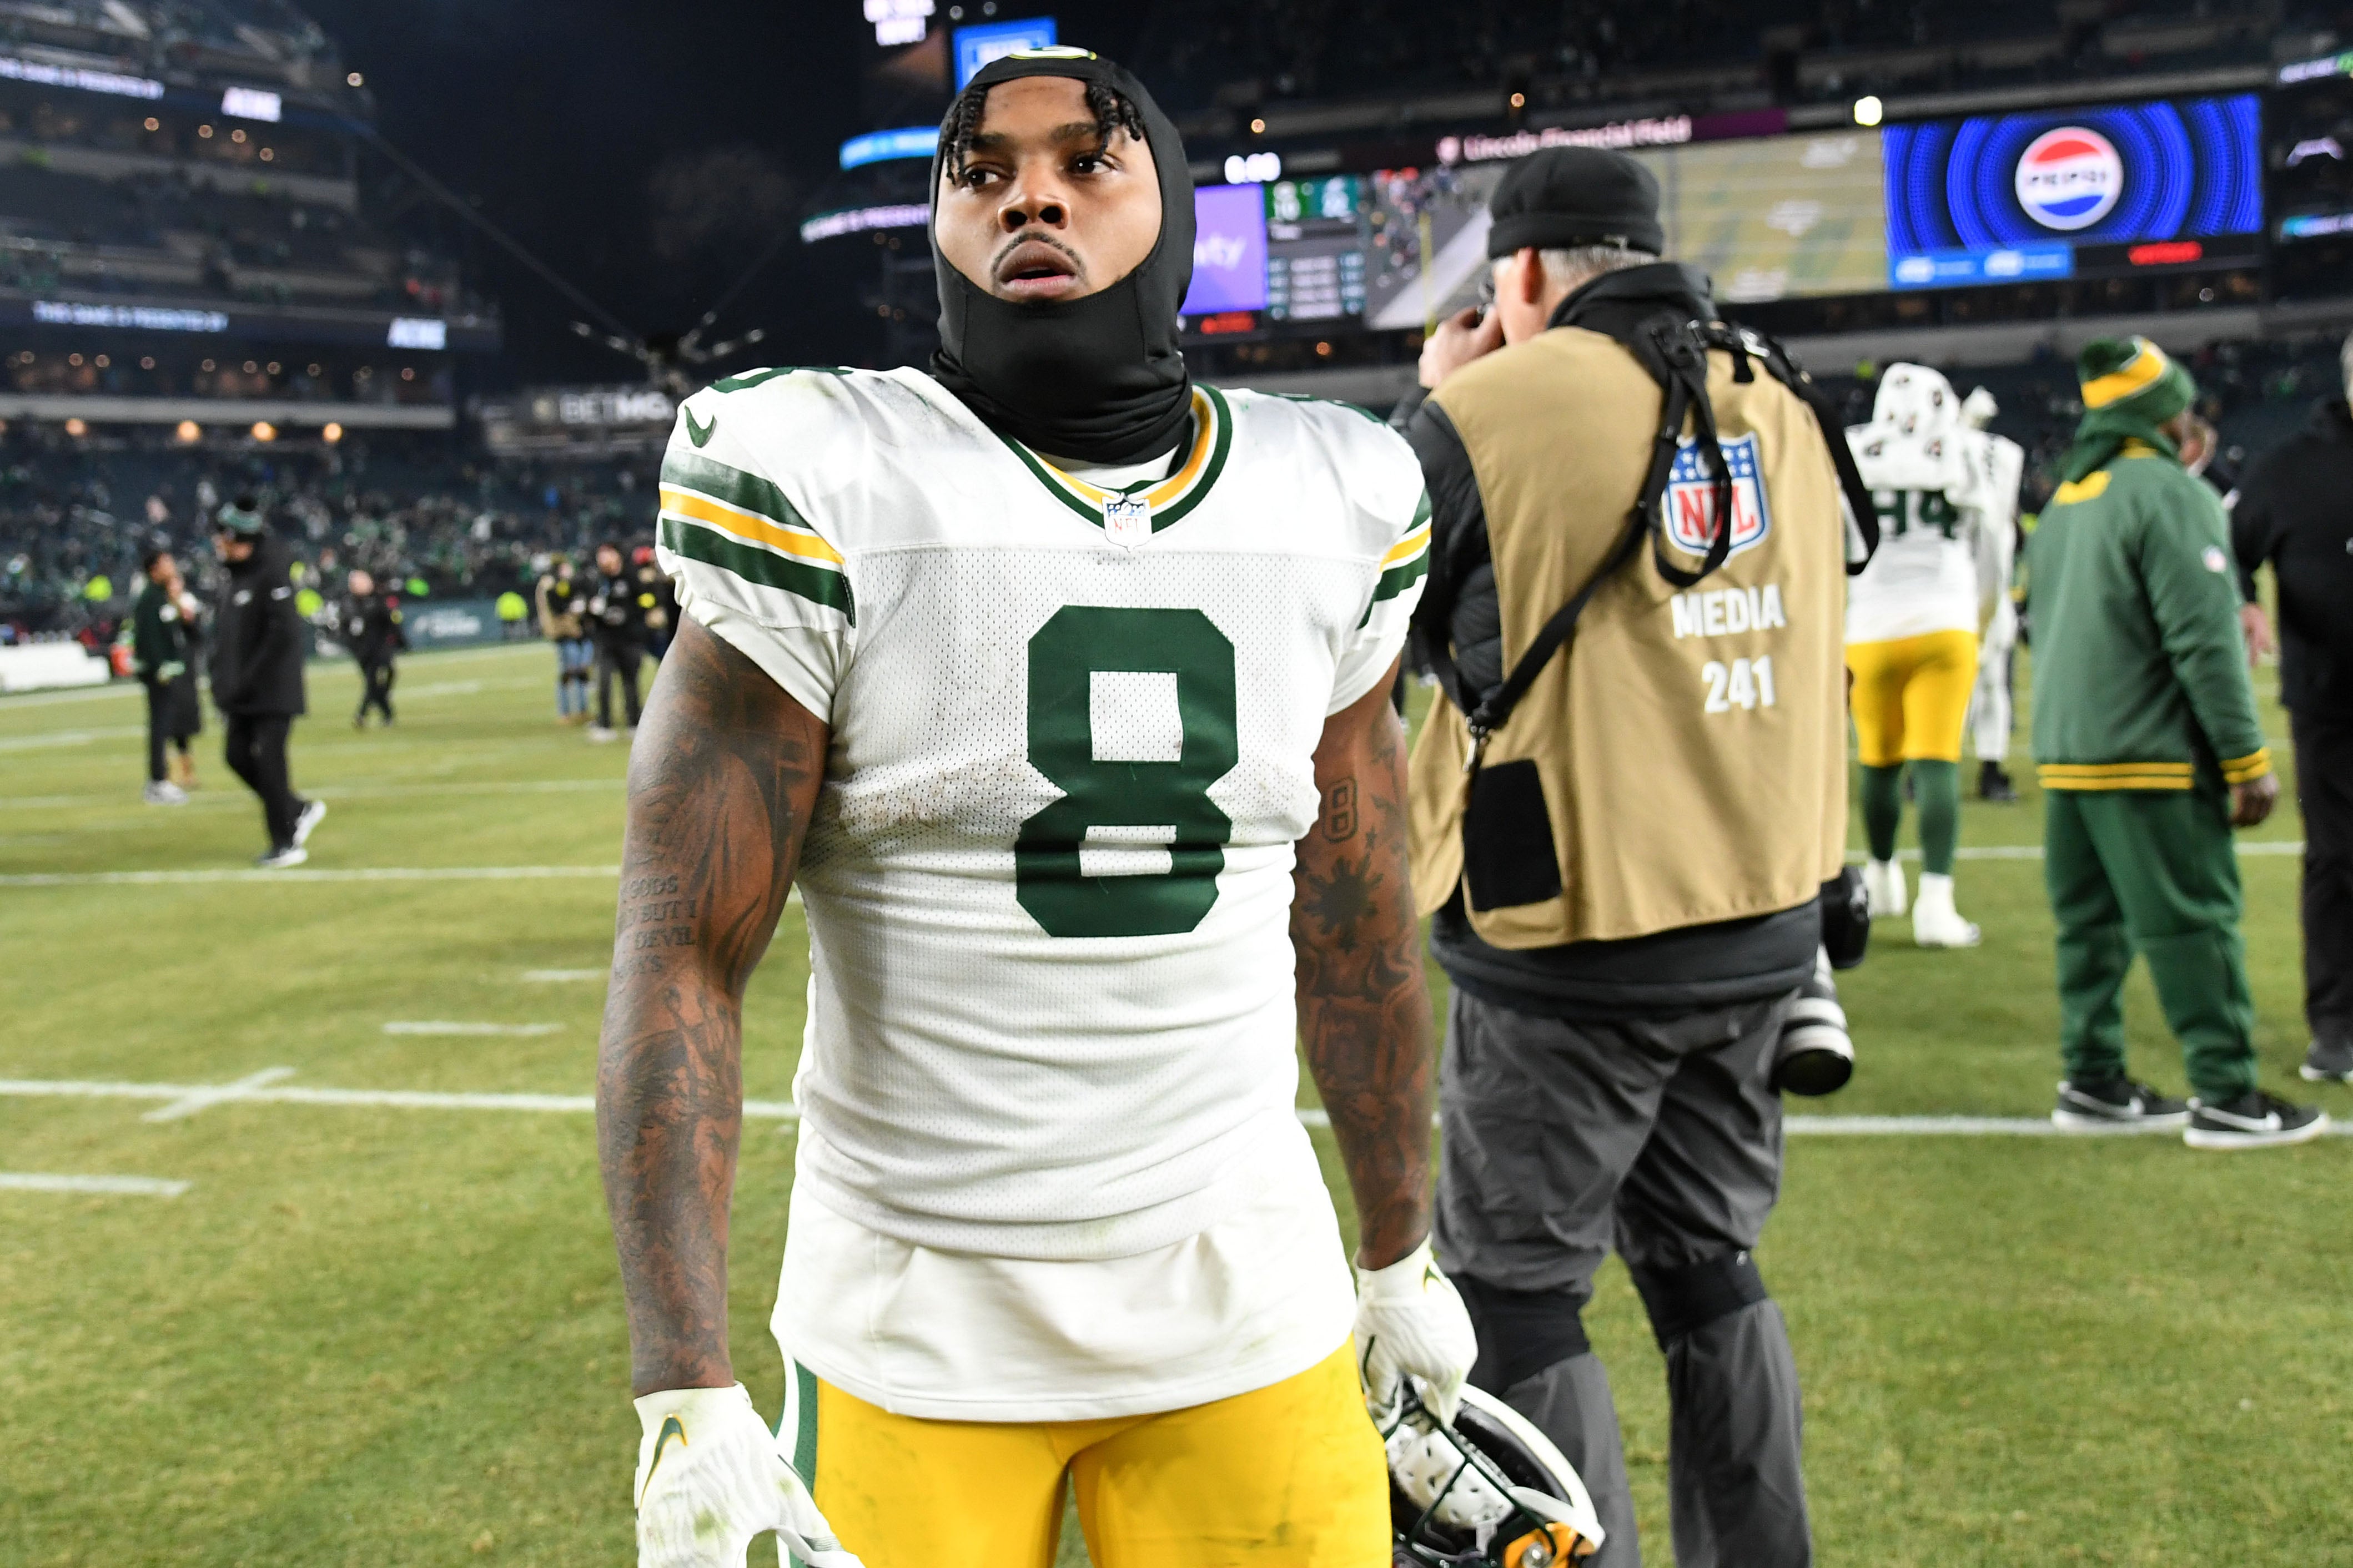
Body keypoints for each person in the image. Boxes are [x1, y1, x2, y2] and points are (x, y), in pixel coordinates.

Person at [598, 48, 1471, 1568]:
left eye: (1086, 162)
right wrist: (681, 1383)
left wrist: (1397, 1254)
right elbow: (683, 947)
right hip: (910, 1319)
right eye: (982, 172)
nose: (1032, 198)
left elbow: (1352, 914)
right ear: (935, 226)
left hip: (1242, 1296)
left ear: (1174, 210)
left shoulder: (1329, 491)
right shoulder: (828, 474)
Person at [1400, 147, 1864, 1567]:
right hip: (1759, 926)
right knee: (1708, 1267)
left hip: (1572, 934)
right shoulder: (1776, 391)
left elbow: (1380, 621)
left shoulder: (1486, 410)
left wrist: (1439, 393)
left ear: (1524, 274)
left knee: (1519, 1293)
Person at [2031, 337, 2325, 1147]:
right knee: (2193, 920)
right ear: (2166, 416)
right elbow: (2204, 643)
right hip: (2148, 751)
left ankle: (2089, 1078)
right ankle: (2226, 1089)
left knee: (2087, 931)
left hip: (2066, 750)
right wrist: (2246, 759)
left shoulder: (2066, 497)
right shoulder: (2165, 493)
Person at [1844, 364, 2020, 946]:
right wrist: (1989, 614)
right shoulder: (1969, 453)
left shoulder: (1851, 448)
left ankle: (1880, 878)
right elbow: (1993, 541)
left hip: (1867, 623)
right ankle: (1934, 904)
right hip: (1943, 620)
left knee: (1877, 759)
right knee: (1936, 759)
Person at [2229, 328, 2353, 1083]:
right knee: (2338, 860)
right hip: (2329, 698)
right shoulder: (2287, 468)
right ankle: (2335, 1022)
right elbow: (2227, 553)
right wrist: (2244, 603)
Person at [209, 497, 324, 869]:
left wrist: (247, 679)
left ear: (235, 537)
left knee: (272, 763)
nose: (216, 544)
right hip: (241, 693)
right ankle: (295, 808)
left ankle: (285, 842)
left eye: (221, 537)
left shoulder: (272, 571)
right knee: (235, 756)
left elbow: (283, 635)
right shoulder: (233, 575)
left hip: (272, 691)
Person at [1959, 385, 2025, 803]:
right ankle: (1987, 769)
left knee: (1976, 686)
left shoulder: (1945, 453)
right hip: (1977, 586)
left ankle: (1975, 767)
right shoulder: (2003, 455)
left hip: (1956, 588)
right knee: (1987, 685)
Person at [130, 544, 203, 804]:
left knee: (168, 725)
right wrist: (160, 666)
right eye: (167, 563)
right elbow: (147, 638)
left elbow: (191, 636)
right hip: (159, 674)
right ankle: (158, 782)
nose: (172, 567)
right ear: (154, 569)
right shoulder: (150, 598)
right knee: (160, 727)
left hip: (172, 671)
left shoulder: (164, 596)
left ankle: (163, 779)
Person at [585, 539, 647, 740]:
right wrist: (593, 611)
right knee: (603, 681)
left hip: (628, 638)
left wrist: (627, 615)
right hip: (605, 639)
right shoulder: (597, 580)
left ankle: (634, 722)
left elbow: (645, 602)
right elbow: (587, 609)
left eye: (608, 553)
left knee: (630, 682)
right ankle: (604, 724)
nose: (603, 558)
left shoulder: (630, 577)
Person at [336, 568, 406, 728]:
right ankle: (383, 713)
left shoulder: (377, 600)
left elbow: (390, 622)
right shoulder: (349, 603)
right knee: (372, 683)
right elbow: (345, 628)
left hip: (380, 647)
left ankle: (365, 714)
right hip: (363, 650)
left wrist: (400, 642)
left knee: (387, 674)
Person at [536, 556, 592, 723]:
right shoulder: (551, 585)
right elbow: (555, 609)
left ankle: (582, 710)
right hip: (564, 634)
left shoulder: (569, 584)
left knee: (581, 671)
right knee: (567, 671)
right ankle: (565, 713)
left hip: (579, 634)